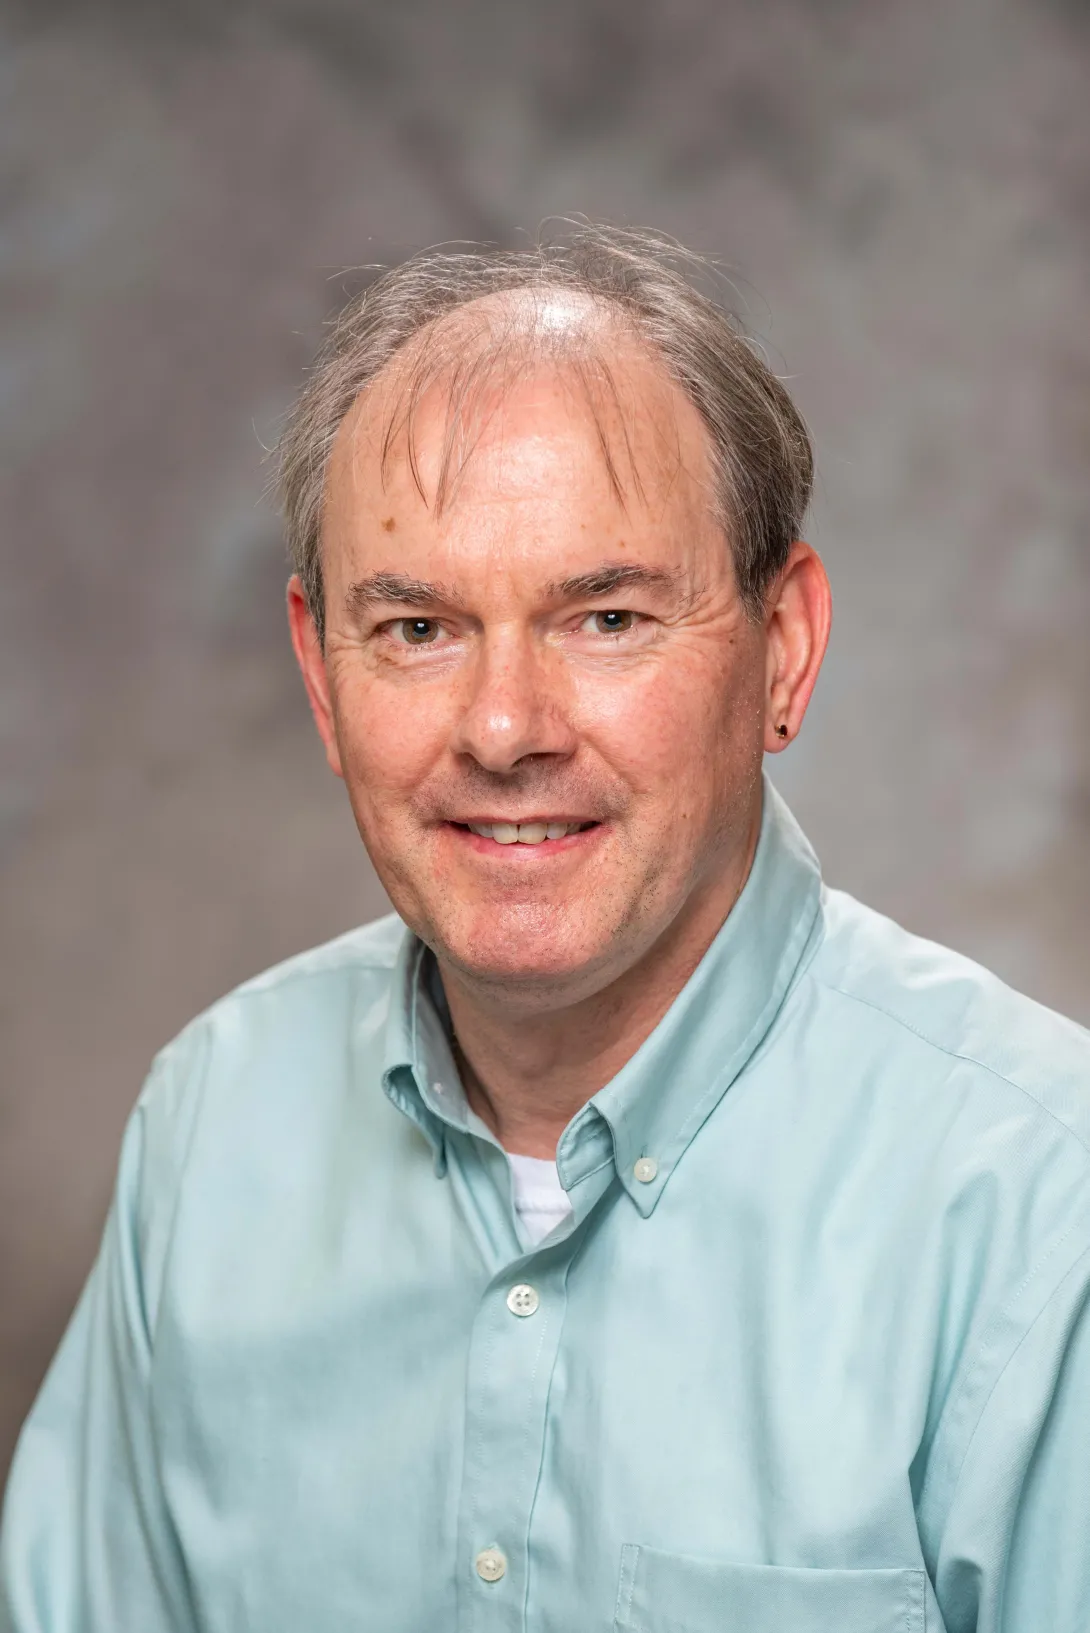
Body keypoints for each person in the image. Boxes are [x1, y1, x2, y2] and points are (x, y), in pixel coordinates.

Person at [2, 225, 1088, 1633]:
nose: (505, 729)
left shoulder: (1037, 1203)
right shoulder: (213, 1126)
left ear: (783, 648)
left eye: (607, 617)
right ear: (321, 678)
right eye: (418, 630)